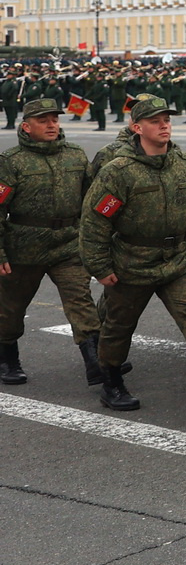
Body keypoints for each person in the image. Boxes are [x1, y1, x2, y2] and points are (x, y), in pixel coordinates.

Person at [79, 96, 186, 411]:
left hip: (178, 259)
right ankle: (111, 382)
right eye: (155, 121)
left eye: (166, 120)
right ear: (137, 127)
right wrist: (99, 266)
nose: (164, 125)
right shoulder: (118, 172)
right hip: (132, 262)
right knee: (119, 326)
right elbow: (96, 221)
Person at [0, 96, 101, 386]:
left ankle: (96, 363)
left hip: (68, 243)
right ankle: (7, 357)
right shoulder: (11, 162)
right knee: (10, 309)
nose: (52, 124)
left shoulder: (75, 155)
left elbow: (90, 199)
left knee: (80, 302)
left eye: (55, 119)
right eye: (44, 120)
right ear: (26, 126)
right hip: (24, 246)